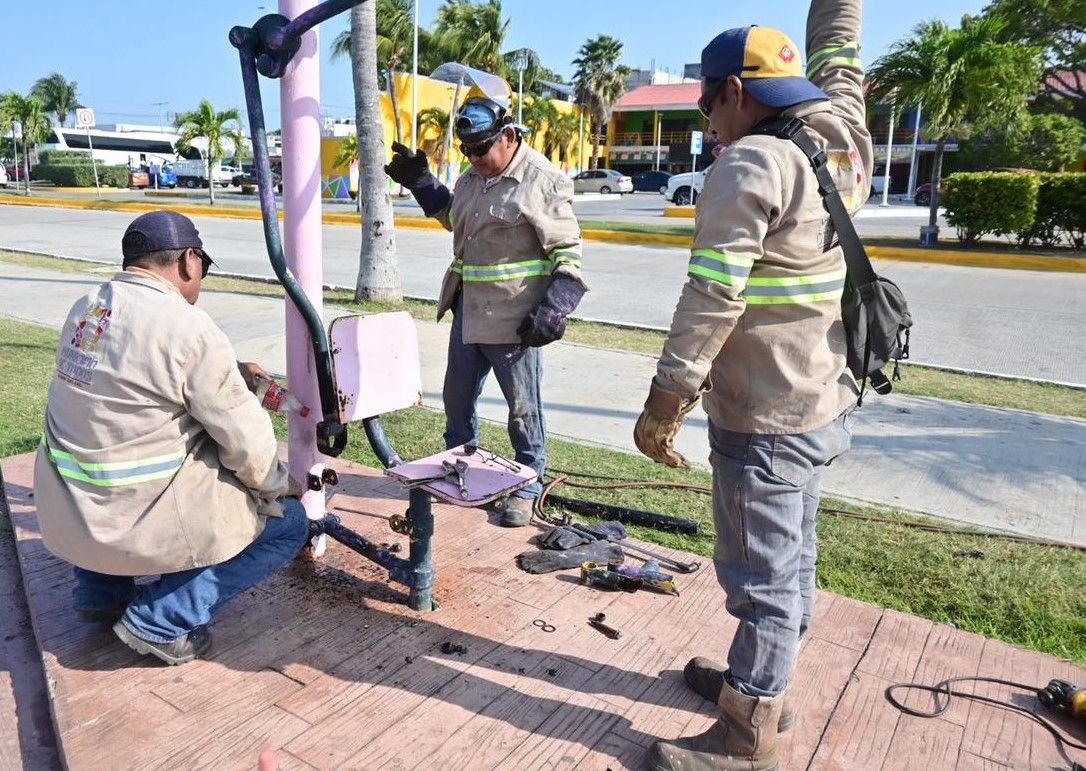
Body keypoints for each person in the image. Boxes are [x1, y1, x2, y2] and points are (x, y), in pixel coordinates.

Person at [633, 1, 871, 768]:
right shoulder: (840, 139)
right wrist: (837, 14)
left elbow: (711, 296)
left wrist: (665, 402)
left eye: (706, 98)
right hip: (821, 401)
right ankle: (760, 681)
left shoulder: (747, 166)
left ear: (735, 90)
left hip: (763, 414)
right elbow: (844, 66)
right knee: (792, 560)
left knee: (760, 576)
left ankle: (747, 740)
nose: (705, 116)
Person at [33, 210, 309, 667]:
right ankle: (161, 620)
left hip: (72, 513)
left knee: (103, 448)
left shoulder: (90, 305)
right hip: (132, 517)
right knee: (288, 525)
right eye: (202, 266)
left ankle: (100, 592)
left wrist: (229, 373)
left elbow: (129, 381)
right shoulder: (189, 327)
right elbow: (247, 442)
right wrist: (282, 485)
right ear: (187, 262)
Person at [385, 94, 586, 527]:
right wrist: (423, 182)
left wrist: (557, 306)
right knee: (457, 404)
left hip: (517, 320)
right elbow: (455, 219)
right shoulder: (473, 179)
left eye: (481, 148)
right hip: (469, 311)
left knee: (522, 407)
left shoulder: (541, 180)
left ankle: (529, 482)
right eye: (467, 150)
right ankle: (460, 470)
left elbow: (568, 252)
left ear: (509, 136)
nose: (473, 157)